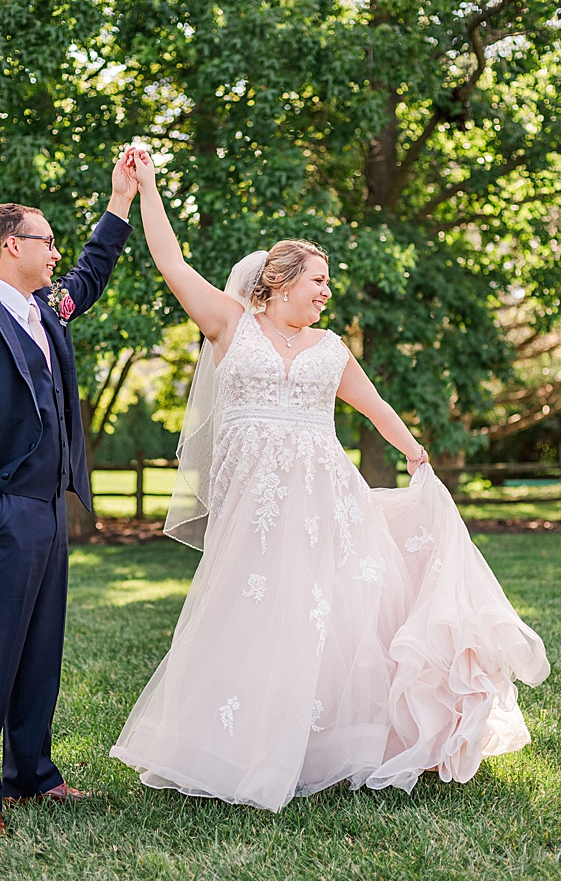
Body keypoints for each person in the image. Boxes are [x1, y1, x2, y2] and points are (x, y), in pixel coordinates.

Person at [110, 147, 548, 811]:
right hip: (252, 507)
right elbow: (171, 261)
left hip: (324, 504)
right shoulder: (229, 325)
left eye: (328, 283)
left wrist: (416, 455)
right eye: (316, 280)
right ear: (276, 281)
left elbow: (374, 409)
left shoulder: (331, 349)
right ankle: (235, 748)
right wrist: (146, 189)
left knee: (331, 620)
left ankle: (339, 745)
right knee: (250, 614)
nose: (325, 291)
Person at [0, 153, 138, 838]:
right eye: (47, 241)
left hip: (49, 511)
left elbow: (92, 272)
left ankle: (32, 775)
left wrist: (121, 201)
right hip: (1, 517)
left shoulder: (49, 310)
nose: (57, 253)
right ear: (10, 246)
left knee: (41, 651)